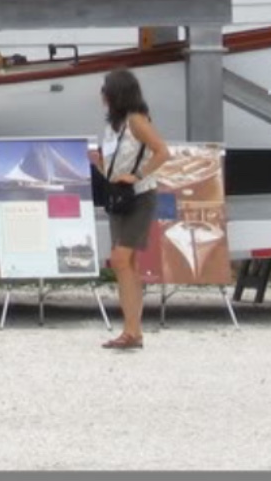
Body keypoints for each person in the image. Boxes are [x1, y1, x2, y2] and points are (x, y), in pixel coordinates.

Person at [90, 67, 169, 352]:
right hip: (119, 196)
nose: (101, 95)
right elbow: (115, 165)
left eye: (105, 90)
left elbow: (162, 151)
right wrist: (99, 165)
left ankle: (132, 329)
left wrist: (138, 175)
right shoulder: (114, 125)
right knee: (127, 265)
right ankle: (132, 330)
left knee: (121, 259)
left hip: (139, 196)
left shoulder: (136, 120)